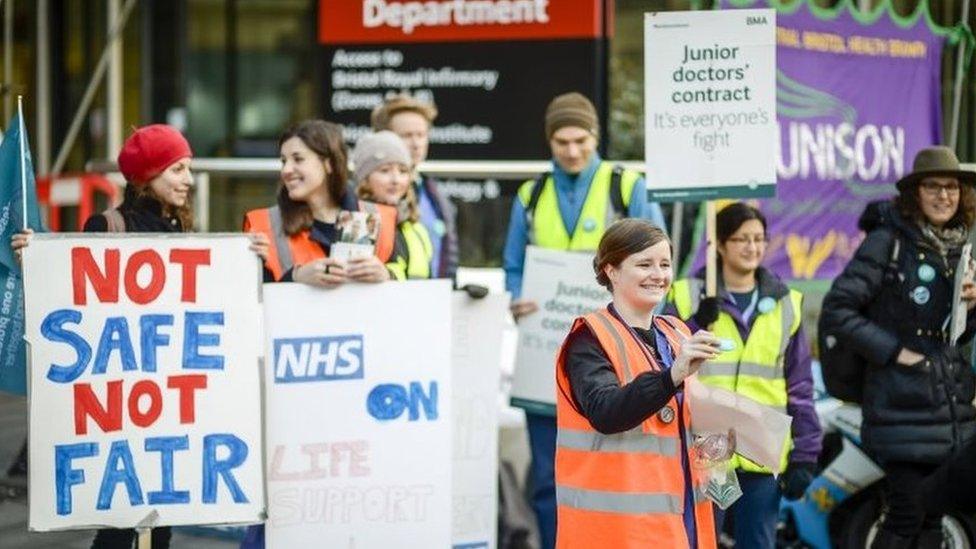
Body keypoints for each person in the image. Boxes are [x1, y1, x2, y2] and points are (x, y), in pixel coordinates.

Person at [13, 124, 268, 549]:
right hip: (122, 403)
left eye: (189, 169)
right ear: (146, 176)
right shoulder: (107, 226)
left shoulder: (179, 229)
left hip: (162, 401)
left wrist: (247, 259)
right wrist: (37, 258)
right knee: (117, 526)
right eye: (177, 170)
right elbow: (74, 293)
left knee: (160, 519)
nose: (188, 179)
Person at [502, 91, 667, 549]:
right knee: (545, 475)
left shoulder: (626, 186)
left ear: (596, 136)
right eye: (561, 141)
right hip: (545, 349)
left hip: (613, 349)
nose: (572, 151)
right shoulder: (530, 194)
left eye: (581, 139)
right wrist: (517, 298)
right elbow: (512, 264)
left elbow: (655, 259)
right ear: (549, 141)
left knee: (615, 466)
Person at [820, 146, 976, 549]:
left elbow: (953, 334)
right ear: (915, 194)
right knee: (908, 512)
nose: (944, 196)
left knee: (933, 517)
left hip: (949, 408)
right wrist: (895, 352)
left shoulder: (958, 246)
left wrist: (972, 305)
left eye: (952, 187)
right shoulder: (887, 241)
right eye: (933, 186)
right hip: (899, 406)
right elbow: (839, 309)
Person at [664, 203, 821, 548]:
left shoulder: (786, 305)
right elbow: (663, 364)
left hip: (762, 446)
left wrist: (806, 453)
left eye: (759, 239)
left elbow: (800, 387)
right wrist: (694, 325)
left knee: (757, 542)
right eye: (741, 239)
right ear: (719, 244)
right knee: (704, 539)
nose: (752, 247)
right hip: (710, 448)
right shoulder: (688, 295)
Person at [556, 218, 718, 548]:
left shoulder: (677, 332)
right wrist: (672, 376)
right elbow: (606, 412)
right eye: (644, 264)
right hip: (617, 532)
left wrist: (723, 487)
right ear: (611, 270)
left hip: (685, 522)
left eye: (665, 264)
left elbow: (697, 423)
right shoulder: (588, 338)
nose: (658, 275)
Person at [243, 120, 405, 284]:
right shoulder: (264, 225)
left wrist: (386, 275)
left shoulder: (380, 217)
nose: (286, 170)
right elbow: (250, 296)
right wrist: (295, 277)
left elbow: (407, 284)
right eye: (284, 161)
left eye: (298, 159)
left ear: (329, 164)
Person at [371, 94, 457, 280]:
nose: (416, 143)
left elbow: (446, 254)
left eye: (421, 135)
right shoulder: (369, 197)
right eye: (406, 136)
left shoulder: (434, 193)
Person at [352, 130, 435, 279]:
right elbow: (350, 281)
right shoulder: (359, 222)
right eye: (384, 171)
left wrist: (458, 292)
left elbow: (427, 280)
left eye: (403, 171)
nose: (395, 180)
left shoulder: (416, 227)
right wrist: (388, 276)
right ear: (364, 179)